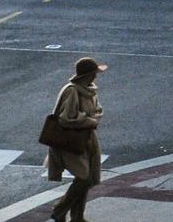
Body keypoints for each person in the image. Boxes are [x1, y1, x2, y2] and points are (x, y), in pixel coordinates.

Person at [45, 56, 106, 222]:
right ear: (86, 75)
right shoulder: (72, 90)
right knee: (84, 178)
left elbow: (98, 110)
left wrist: (93, 118)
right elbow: (66, 118)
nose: (96, 76)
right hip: (71, 141)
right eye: (94, 73)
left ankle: (77, 216)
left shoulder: (89, 90)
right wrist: (89, 120)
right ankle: (59, 210)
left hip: (86, 138)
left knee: (88, 178)